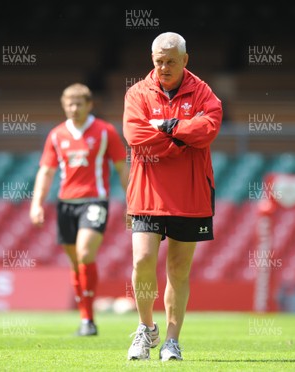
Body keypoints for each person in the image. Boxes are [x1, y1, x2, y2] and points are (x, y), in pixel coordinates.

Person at [123, 32, 222, 361]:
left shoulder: (203, 91)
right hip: (147, 193)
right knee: (141, 260)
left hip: (190, 195)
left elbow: (208, 129)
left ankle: (171, 340)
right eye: (158, 61)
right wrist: (182, 136)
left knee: (178, 271)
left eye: (169, 61)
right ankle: (145, 328)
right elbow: (136, 136)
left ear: (185, 60)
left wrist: (167, 126)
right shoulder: (137, 93)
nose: (163, 67)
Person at [30, 83, 128, 336]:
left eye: (78, 104)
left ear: (89, 105)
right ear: (64, 106)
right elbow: (46, 171)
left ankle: (88, 318)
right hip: (65, 204)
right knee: (75, 264)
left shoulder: (105, 132)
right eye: (69, 104)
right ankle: (87, 318)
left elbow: (122, 167)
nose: (73, 109)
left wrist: (132, 202)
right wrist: (37, 202)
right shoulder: (56, 135)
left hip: (95, 201)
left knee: (85, 254)